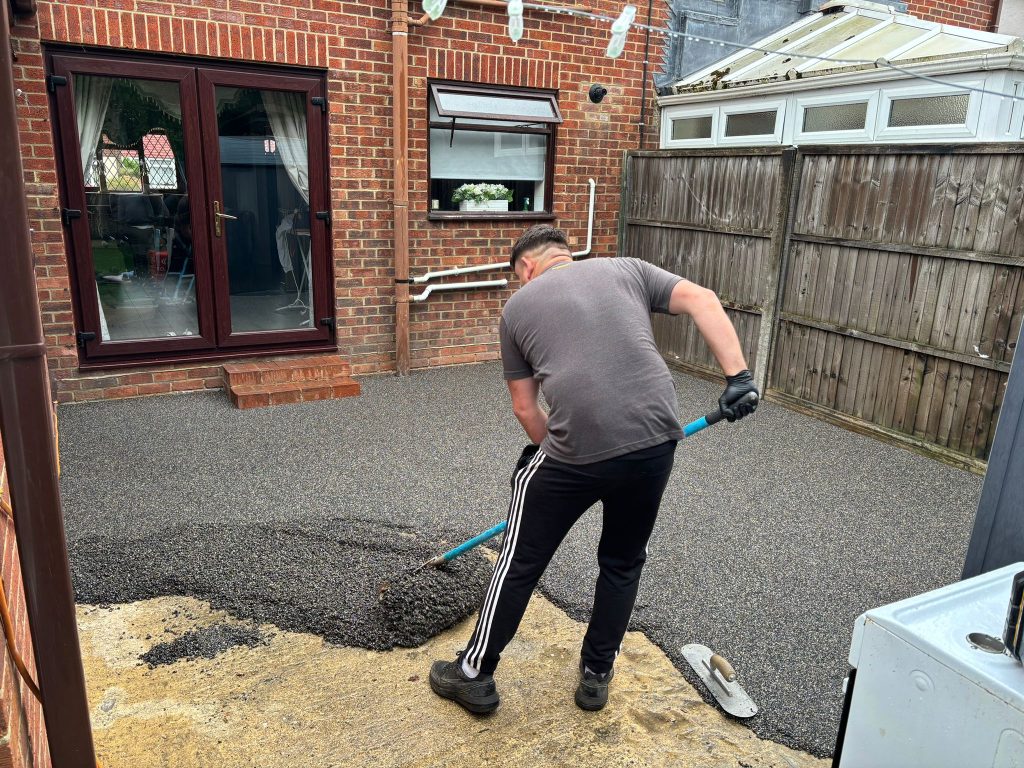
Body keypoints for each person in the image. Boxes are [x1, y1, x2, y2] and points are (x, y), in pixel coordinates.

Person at [429, 225, 758, 715]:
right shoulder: (628, 269)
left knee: (519, 560)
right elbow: (703, 299)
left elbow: (525, 408)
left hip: (574, 454)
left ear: (525, 268)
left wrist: (548, 452)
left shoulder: (517, 308)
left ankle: (473, 674)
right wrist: (739, 378)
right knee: (624, 561)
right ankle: (596, 675)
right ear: (564, 254)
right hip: (654, 443)